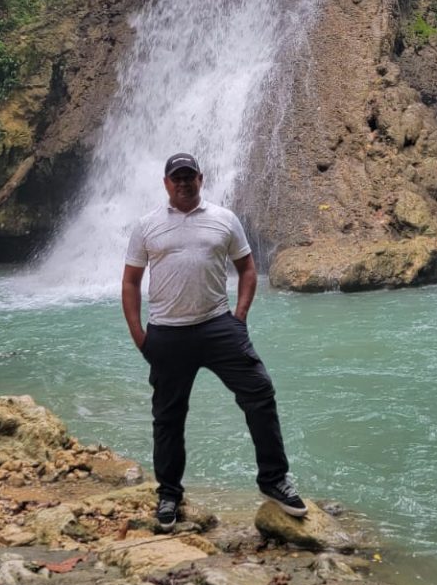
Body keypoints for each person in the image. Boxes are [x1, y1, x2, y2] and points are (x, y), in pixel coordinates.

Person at [121, 152, 307, 527]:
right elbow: (131, 281)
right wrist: (139, 334)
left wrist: (239, 318)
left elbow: (248, 270)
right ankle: (169, 494)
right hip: (167, 332)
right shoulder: (147, 226)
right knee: (168, 418)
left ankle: (273, 480)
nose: (184, 182)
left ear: (201, 179)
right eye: (177, 177)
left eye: (190, 176)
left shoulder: (224, 219)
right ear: (166, 183)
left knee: (260, 393)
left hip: (217, 326)